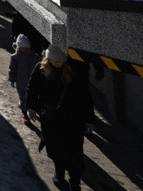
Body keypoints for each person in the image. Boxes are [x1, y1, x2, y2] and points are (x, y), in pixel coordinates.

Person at [26, 45, 94, 189]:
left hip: (72, 119)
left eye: (60, 61)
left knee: (74, 151)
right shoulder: (41, 69)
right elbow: (32, 89)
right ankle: (59, 175)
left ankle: (75, 181)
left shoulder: (75, 71)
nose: (57, 63)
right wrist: (30, 107)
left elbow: (85, 97)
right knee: (56, 149)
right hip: (51, 119)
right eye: (53, 60)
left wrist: (89, 119)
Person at [9, 34, 39, 126]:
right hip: (21, 82)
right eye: (23, 48)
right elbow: (12, 69)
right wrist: (12, 79)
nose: (25, 50)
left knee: (33, 97)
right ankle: (25, 115)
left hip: (32, 81)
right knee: (23, 98)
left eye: (27, 48)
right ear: (18, 48)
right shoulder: (15, 57)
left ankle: (32, 110)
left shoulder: (33, 56)